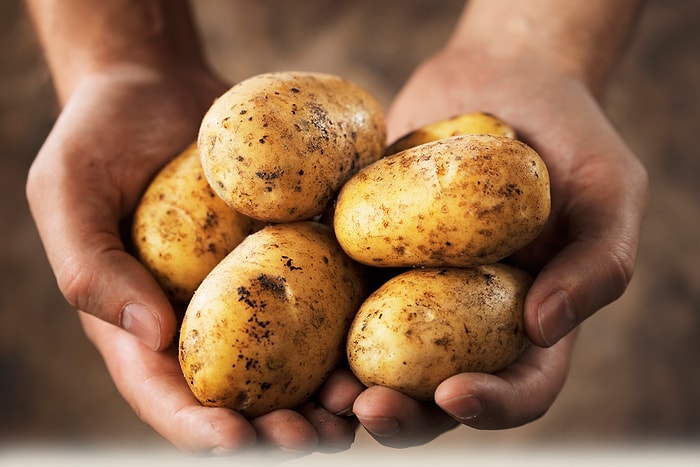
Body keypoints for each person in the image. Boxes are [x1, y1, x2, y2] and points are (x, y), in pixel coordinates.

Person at [24, 0, 648, 455]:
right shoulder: (312, 201)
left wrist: (532, 48)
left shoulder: (368, 208)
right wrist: (123, 57)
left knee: (381, 334)